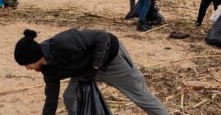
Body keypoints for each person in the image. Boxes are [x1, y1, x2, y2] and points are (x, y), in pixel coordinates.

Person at [14, 28, 169, 115]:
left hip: (111, 59)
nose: (28, 69)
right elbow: (51, 99)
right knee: (70, 96)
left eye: (27, 64)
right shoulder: (48, 71)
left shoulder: (63, 42)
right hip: (85, 69)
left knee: (140, 96)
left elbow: (102, 37)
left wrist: (95, 66)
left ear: (35, 57)